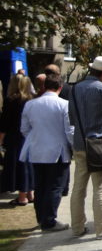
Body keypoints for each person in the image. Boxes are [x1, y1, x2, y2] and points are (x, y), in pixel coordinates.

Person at [69, 56, 102, 239]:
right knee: (100, 188)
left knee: (78, 187)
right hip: (99, 145)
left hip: (80, 143)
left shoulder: (75, 88)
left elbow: (72, 118)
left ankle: (77, 227)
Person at [20, 73, 73, 232]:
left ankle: (41, 217)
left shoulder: (30, 104)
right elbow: (69, 130)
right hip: (57, 151)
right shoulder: (64, 104)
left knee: (40, 186)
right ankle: (49, 220)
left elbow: (24, 129)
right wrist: (73, 146)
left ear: (44, 86)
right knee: (55, 186)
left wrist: (36, 138)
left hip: (37, 151)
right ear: (60, 87)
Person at [0, 74, 35, 205]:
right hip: (30, 136)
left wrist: (1, 139)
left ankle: (22, 197)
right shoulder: (32, 100)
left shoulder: (11, 101)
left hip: (15, 137)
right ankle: (30, 193)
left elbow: (5, 122)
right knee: (29, 164)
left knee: (20, 166)